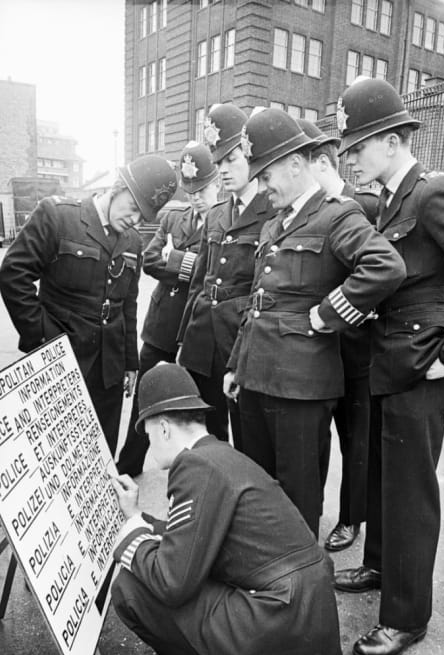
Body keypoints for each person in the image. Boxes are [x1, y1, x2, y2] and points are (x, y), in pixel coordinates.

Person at [111, 363, 344, 655]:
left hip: (281, 618)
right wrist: (138, 518)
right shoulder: (218, 455)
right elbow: (193, 537)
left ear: (163, 427)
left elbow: (172, 582)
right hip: (301, 613)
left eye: (148, 434)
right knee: (157, 569)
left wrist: (129, 537)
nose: (149, 445)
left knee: (132, 588)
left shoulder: (194, 467)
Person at [224, 108, 407, 539]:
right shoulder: (274, 225)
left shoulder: (336, 215)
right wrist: (236, 365)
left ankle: (300, 593)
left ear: (294, 164)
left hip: (302, 388)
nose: (262, 186)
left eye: (266, 175)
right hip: (256, 377)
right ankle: (267, 579)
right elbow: (257, 302)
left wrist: (327, 315)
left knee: (298, 495)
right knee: (257, 489)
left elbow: (385, 266)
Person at [333, 77, 444, 655]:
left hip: (422, 369)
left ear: (391, 139)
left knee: (412, 495)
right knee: (384, 479)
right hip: (387, 365)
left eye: (358, 146)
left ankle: (406, 617)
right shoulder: (389, 200)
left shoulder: (433, 194)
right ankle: (381, 566)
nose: (352, 158)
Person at [0, 156, 177, 455]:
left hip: (108, 371)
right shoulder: (58, 216)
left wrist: (130, 362)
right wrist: (45, 339)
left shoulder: (132, 241)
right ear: (118, 188)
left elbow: (128, 304)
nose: (134, 220)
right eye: (133, 208)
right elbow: (14, 275)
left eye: (142, 216)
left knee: (97, 453)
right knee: (47, 453)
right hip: (59, 363)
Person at [116, 142, 220, 476]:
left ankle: (203, 479)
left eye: (202, 189)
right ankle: (129, 465)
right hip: (162, 327)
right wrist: (188, 264)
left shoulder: (226, 223)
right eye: (190, 191)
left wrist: (175, 259)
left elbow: (212, 276)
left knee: (203, 410)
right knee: (145, 401)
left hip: (197, 331)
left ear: (217, 183)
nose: (196, 197)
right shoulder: (174, 217)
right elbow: (149, 259)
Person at [298, 118, 378, 553]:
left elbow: (380, 276)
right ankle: (312, 512)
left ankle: (350, 518)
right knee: (316, 438)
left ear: (321, 164)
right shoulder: (301, 214)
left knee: (355, 440)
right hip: (315, 350)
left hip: (354, 349)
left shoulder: (363, 206)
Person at [177, 103, 275, 450]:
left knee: (249, 436)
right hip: (203, 342)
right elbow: (199, 281)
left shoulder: (272, 212)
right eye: (219, 163)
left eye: (232, 160)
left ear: (253, 155)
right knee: (207, 434)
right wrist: (183, 338)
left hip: (241, 342)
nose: (223, 171)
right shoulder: (218, 214)